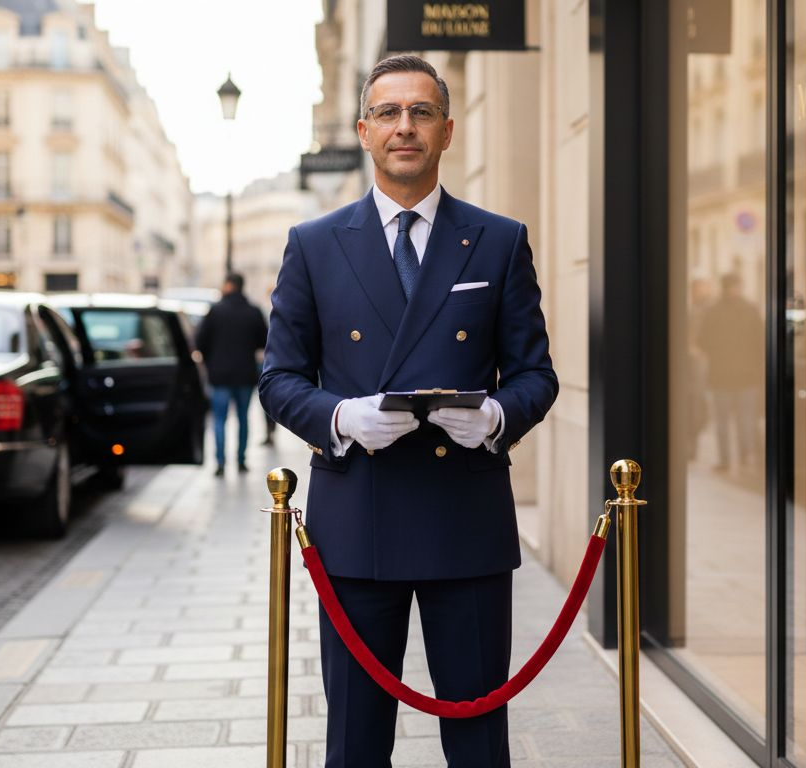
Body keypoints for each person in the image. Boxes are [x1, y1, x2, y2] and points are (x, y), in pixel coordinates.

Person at [259, 55, 558, 767]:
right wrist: (339, 419)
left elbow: (535, 376)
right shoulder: (314, 244)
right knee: (357, 742)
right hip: (358, 519)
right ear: (364, 130)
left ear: (447, 131)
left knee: (479, 738)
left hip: (466, 521)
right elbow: (279, 378)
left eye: (421, 112)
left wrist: (494, 419)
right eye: (388, 113)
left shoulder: (498, 239)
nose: (405, 127)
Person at [195, 272, 268, 476]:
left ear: (228, 285)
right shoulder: (253, 311)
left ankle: (219, 462)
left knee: (220, 419)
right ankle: (241, 460)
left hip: (219, 375)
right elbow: (263, 341)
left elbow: (200, 341)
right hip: (245, 373)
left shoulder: (215, 311)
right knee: (243, 418)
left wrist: (211, 361)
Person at [696, 272, 763, 471]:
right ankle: (744, 455)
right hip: (745, 376)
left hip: (721, 375)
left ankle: (727, 460)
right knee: (744, 419)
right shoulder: (750, 310)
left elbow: (703, 341)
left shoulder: (713, 311)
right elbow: (760, 342)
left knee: (725, 422)